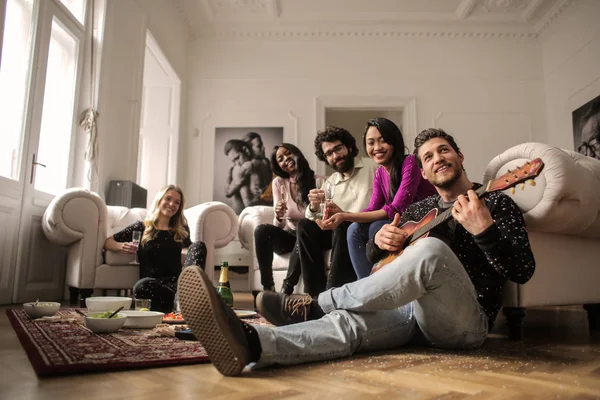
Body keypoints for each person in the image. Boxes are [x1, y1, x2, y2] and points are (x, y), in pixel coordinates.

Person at [175, 128, 536, 377]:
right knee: (348, 325)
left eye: (444, 150)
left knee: (429, 250)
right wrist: (379, 245)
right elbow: (376, 262)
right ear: (423, 169)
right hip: (413, 316)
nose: (438, 158)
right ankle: (254, 343)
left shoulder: (496, 202)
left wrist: (484, 231)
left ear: (459, 155)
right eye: (428, 156)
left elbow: (522, 270)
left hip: (466, 324)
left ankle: (316, 303)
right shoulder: (418, 211)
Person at [317, 117, 435, 279]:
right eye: (371, 143)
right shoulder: (380, 173)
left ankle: (385, 286)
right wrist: (342, 214)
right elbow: (372, 209)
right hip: (402, 222)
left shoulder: (410, 162)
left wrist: (345, 215)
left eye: (383, 141)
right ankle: (368, 289)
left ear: (394, 141)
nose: (377, 147)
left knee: (376, 228)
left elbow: (396, 208)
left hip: (424, 221)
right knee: (354, 229)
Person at [280, 126, 377, 296]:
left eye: (338, 148)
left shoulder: (373, 167)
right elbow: (314, 216)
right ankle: (314, 296)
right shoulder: (331, 182)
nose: (335, 156)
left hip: (363, 227)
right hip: (338, 231)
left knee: (341, 224)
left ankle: (333, 292)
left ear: (349, 147)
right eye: (329, 153)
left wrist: (343, 215)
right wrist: (315, 206)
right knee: (304, 225)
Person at [104, 185, 206, 313]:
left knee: (199, 246)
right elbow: (108, 242)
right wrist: (120, 246)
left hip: (179, 286)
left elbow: (189, 252)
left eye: (177, 202)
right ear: (159, 200)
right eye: (168, 199)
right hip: (153, 285)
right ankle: (181, 306)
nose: (171, 204)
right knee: (141, 286)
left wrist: (185, 254)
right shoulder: (140, 227)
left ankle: (184, 298)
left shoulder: (181, 230)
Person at [254, 143, 321, 292]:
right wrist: (278, 216)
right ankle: (268, 288)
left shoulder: (318, 181)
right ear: (279, 166)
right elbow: (279, 226)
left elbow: (321, 219)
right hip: (289, 237)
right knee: (261, 230)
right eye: (281, 159)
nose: (286, 159)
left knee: (303, 226)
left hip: (310, 238)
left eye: (288, 153)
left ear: (297, 153)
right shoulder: (278, 183)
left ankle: (287, 287)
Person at [224, 137, 272, 214]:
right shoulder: (236, 168)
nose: (237, 163)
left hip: (250, 213)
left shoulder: (250, 165)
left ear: (246, 150)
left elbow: (228, 193)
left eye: (237, 158)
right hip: (242, 214)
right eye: (233, 160)